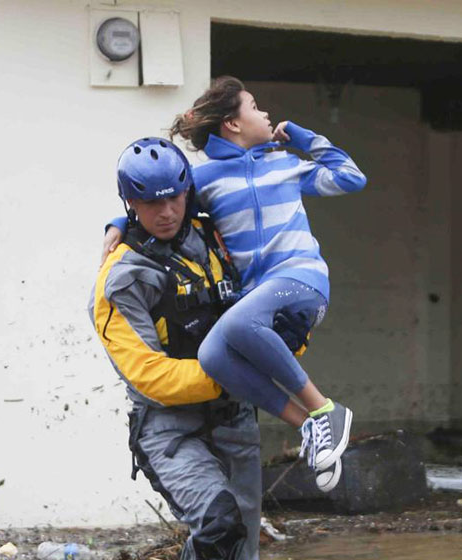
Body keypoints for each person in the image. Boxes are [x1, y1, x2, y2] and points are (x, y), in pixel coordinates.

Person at [103, 77, 367, 493]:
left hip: (302, 279)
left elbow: (351, 177)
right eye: (255, 106)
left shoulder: (285, 164)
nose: (265, 114)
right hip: (258, 300)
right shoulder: (205, 180)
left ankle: (324, 409)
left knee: (238, 326)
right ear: (233, 124)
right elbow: (160, 196)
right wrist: (120, 222)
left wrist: (300, 136)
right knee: (213, 355)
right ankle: (309, 426)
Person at [89, 137, 260, 560]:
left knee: (241, 555)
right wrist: (237, 378)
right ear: (129, 201)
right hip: (169, 425)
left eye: (173, 197)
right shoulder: (121, 277)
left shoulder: (214, 233)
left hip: (232, 414)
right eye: (148, 202)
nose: (165, 211)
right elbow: (150, 375)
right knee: (217, 518)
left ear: (187, 191)